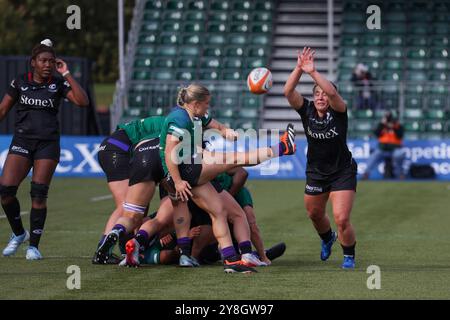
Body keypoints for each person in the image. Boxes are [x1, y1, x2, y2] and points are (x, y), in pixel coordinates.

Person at [159, 84, 296, 273]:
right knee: (234, 159)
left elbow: (216, 125)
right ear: (196, 103)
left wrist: (226, 131)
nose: (208, 107)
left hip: (190, 165)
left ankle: (231, 260)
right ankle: (282, 148)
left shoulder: (196, 114)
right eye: (206, 103)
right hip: (184, 169)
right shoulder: (179, 118)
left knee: (219, 211)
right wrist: (178, 181)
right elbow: (169, 153)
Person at [0, 39, 89, 260]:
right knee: (5, 191)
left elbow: (82, 101)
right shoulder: (20, 82)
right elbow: (2, 109)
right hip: (22, 141)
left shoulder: (58, 83)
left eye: (51, 61)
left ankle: (34, 247)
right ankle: (19, 233)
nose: (47, 64)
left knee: (38, 194)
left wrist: (67, 73)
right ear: (33, 62)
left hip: (47, 145)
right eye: (43, 61)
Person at [284, 47, 358, 269]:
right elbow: (288, 91)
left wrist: (313, 72)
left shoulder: (338, 111)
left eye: (324, 93)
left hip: (342, 170)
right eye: (317, 93)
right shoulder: (306, 110)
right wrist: (299, 68)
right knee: (314, 214)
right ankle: (327, 238)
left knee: (341, 218)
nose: (320, 96)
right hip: (316, 172)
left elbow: (333, 94)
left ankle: (348, 256)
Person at [94, 116, 166, 264]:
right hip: (118, 150)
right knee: (126, 205)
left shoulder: (165, 121)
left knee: (137, 206)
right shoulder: (174, 125)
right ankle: (103, 249)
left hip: (111, 146)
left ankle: (125, 246)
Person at [362, 111, 405, 180]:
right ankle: (366, 173)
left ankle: (400, 174)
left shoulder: (398, 126)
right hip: (382, 149)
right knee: (374, 155)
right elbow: (376, 133)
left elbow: (400, 135)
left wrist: (393, 126)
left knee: (399, 155)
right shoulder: (382, 126)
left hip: (395, 148)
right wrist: (382, 124)